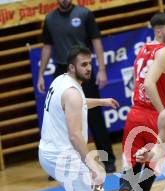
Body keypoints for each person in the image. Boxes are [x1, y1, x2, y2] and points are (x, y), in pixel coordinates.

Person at [38, 46, 136, 191]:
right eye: (83, 64)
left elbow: (77, 102)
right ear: (72, 67)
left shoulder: (62, 81)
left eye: (89, 63)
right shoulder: (72, 92)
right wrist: (92, 163)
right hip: (61, 155)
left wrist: (100, 101)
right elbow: (75, 136)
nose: (88, 67)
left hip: (50, 152)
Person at [110, 12, 165, 191]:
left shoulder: (143, 49)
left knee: (132, 169)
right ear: (159, 31)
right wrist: (164, 113)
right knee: (148, 174)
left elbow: (140, 82)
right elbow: (150, 84)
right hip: (153, 119)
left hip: (135, 113)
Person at [37, 0, 116, 174]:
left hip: (82, 69)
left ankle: (108, 159)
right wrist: (41, 74)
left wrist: (101, 69)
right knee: (61, 118)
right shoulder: (50, 19)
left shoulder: (84, 14)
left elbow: (96, 42)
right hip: (62, 69)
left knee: (95, 116)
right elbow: (46, 47)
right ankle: (59, 163)